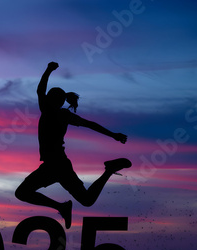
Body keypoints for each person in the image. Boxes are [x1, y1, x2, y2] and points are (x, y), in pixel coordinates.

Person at [15, 62, 131, 229]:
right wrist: (113, 135)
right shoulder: (62, 114)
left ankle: (63, 205)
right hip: (57, 165)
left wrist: (48, 70)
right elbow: (90, 124)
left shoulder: (52, 112)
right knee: (87, 200)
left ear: (53, 100)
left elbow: (40, 91)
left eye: (49, 97)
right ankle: (108, 171)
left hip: (56, 165)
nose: (45, 98)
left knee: (22, 193)